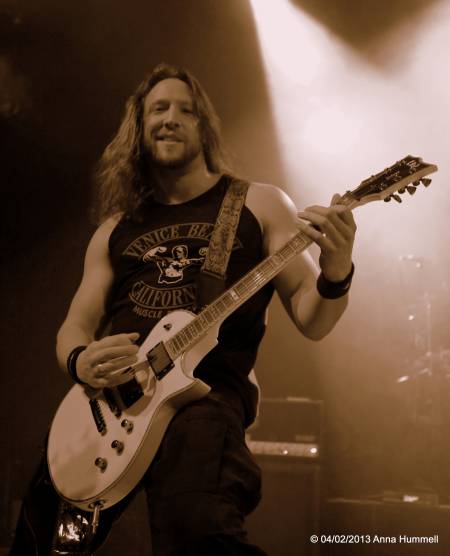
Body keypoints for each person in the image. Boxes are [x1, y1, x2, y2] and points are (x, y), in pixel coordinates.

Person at [10, 62, 356, 555]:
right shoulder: (114, 229)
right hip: (106, 408)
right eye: (158, 109)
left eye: (185, 110)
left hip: (204, 399)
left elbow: (311, 317)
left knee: (197, 531)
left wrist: (337, 272)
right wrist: (79, 360)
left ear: (204, 125)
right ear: (139, 125)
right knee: (36, 539)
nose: (170, 118)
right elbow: (75, 325)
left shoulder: (258, 204)